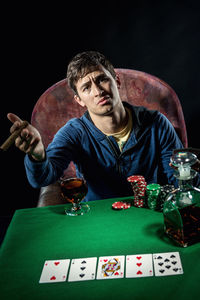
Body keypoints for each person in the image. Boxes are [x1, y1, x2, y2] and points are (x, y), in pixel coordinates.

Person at [7, 51, 198, 202]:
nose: (98, 91)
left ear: (116, 81)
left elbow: (179, 180)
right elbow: (43, 178)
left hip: (147, 212)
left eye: (102, 80)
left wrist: (191, 171)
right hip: (97, 218)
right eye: (86, 87)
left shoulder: (157, 123)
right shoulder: (73, 132)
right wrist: (37, 154)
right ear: (79, 100)